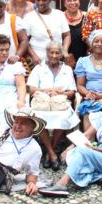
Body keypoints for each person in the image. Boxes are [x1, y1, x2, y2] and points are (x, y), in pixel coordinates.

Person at [42, 92, 102, 196]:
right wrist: (70, 147)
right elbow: (87, 135)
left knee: (82, 152)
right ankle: (99, 178)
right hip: (101, 154)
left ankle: (62, 184)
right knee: (72, 154)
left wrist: (95, 149)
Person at [27, 41, 79, 169]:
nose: (54, 55)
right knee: (38, 116)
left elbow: (72, 92)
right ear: (47, 53)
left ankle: (49, 152)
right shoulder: (39, 68)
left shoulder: (67, 69)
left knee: (64, 115)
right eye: (51, 52)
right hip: (42, 104)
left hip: (59, 104)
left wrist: (62, 93)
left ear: (61, 54)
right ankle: (52, 153)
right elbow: (31, 89)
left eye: (57, 52)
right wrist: (48, 90)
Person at [26, 0, 71, 66]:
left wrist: (64, 50)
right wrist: (33, 56)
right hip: (38, 63)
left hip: (58, 60)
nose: (41, 3)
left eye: (44, 0)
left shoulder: (59, 15)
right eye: (38, 0)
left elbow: (67, 35)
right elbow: (24, 41)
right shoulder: (29, 17)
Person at [63, 0, 87, 68]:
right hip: (65, 59)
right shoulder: (60, 17)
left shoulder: (86, 16)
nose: (72, 3)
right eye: (69, 0)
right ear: (64, 4)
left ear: (79, 1)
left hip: (84, 59)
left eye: (75, 0)